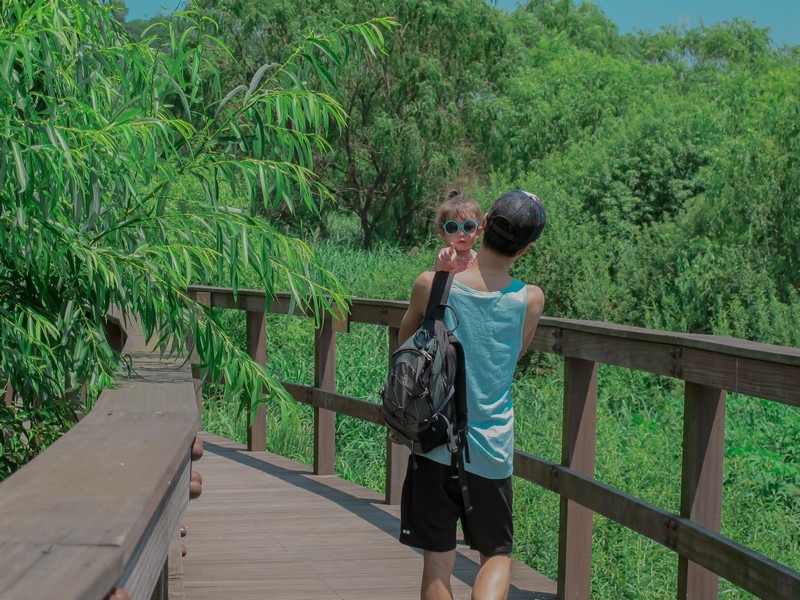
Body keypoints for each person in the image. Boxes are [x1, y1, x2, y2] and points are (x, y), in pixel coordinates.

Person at [397, 190, 547, 600]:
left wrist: (440, 281)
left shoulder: (431, 285)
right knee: (495, 555)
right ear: (527, 247)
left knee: (437, 563)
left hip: (434, 442)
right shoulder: (529, 299)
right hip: (491, 447)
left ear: (481, 228)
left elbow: (405, 344)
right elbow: (517, 352)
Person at [433, 190, 483, 273]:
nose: (461, 234)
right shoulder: (446, 254)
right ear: (442, 233)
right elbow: (442, 265)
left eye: (468, 226)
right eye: (452, 227)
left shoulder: (477, 258)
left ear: (478, 232)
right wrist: (445, 259)